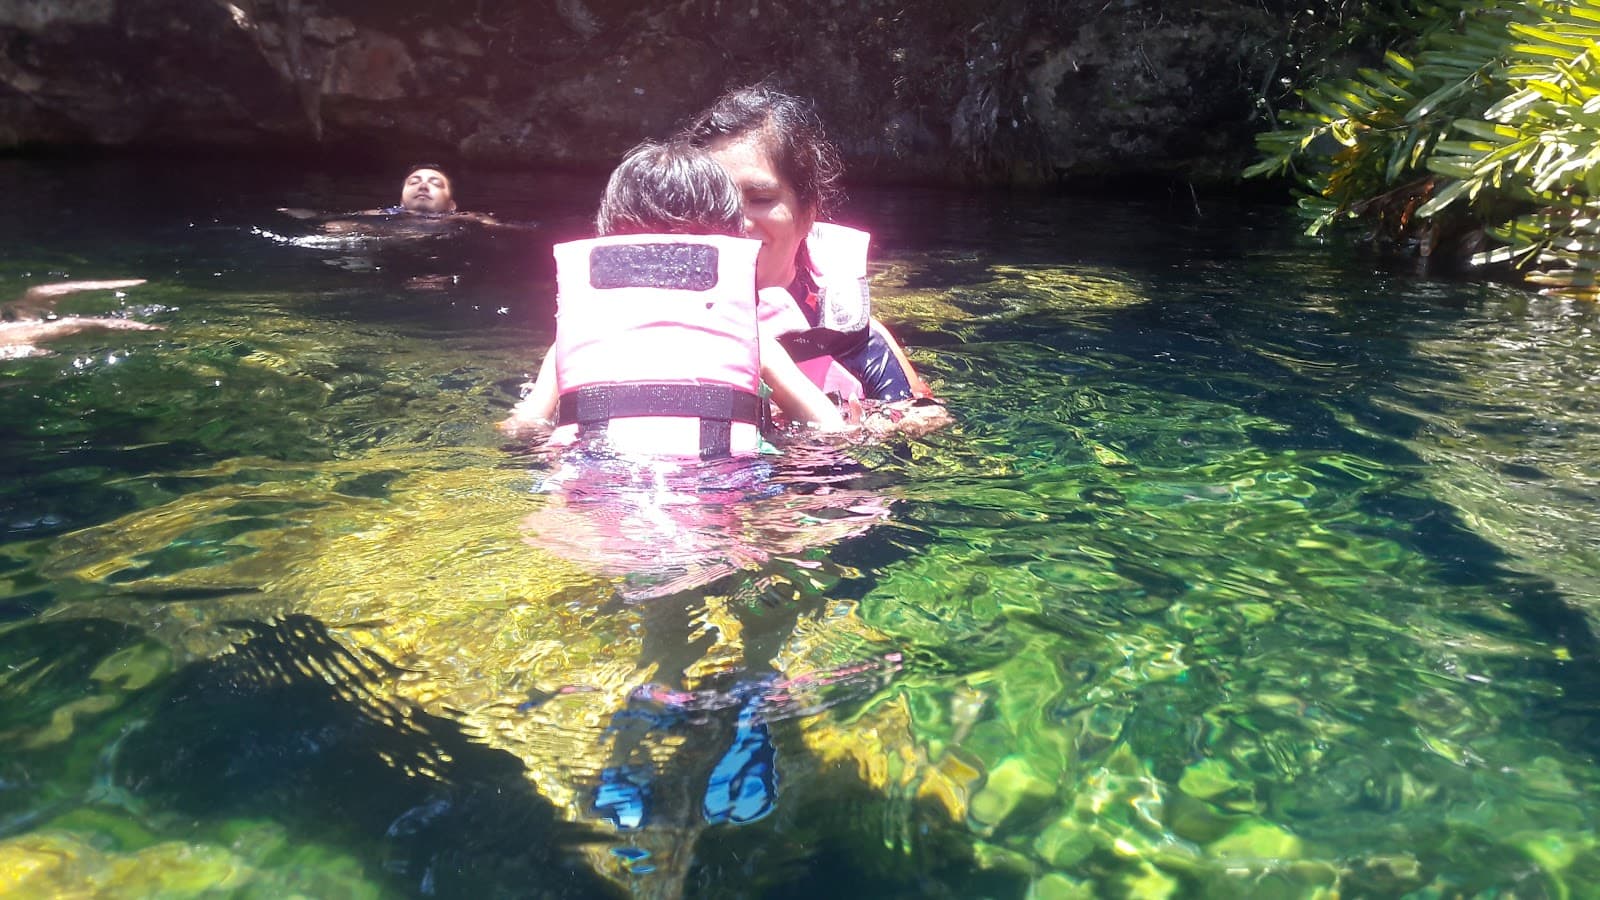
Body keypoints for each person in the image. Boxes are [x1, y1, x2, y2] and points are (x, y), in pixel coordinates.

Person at [499, 140, 845, 452]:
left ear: (609, 238)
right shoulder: (750, 339)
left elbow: (524, 427)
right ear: (729, 239)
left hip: (594, 484)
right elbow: (829, 427)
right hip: (716, 489)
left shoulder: (573, 342)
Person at [682, 83, 953, 438]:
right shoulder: (651, 327)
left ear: (807, 214)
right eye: (715, 199)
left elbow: (928, 425)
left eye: (760, 198)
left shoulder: (854, 340)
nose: (736, 220)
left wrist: (849, 431)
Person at [1, 279, 160, 359]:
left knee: (39, 292)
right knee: (71, 325)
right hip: (10, 337)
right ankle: (155, 329)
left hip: (10, 321)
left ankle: (136, 281)